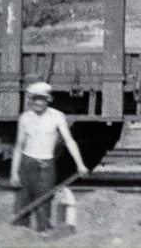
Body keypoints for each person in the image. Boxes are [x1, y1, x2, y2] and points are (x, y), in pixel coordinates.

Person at [11, 82, 88, 233]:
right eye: (35, 99)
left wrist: (80, 164)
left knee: (44, 204)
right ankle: (20, 237)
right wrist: (14, 173)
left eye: (42, 99)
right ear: (30, 100)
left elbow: (69, 141)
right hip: (27, 164)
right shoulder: (25, 118)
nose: (39, 102)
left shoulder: (57, 116)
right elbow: (18, 146)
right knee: (23, 203)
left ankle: (42, 235)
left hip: (47, 165)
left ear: (48, 100)